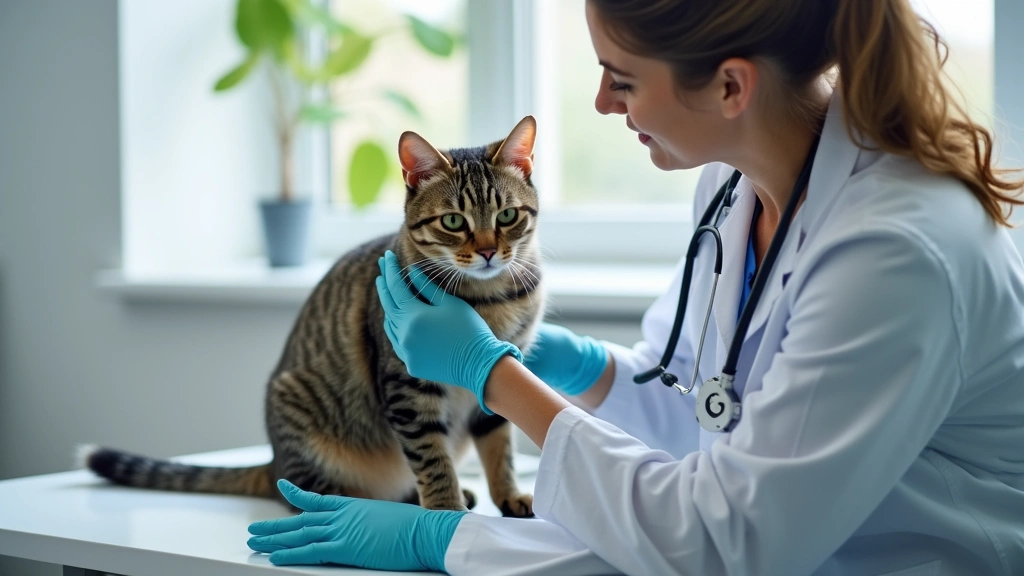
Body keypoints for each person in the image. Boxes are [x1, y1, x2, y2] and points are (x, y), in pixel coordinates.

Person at [245, 0, 1024, 574]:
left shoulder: (895, 253)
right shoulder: (733, 184)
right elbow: (699, 409)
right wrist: (584, 366)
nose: (600, 105)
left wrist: (492, 384)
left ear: (730, 86)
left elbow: (728, 541)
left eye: (621, 79)